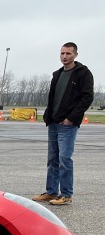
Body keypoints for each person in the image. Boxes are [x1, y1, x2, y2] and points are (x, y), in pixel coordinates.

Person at [33, 42, 94, 206]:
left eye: (68, 53)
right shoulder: (57, 74)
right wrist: (48, 116)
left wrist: (71, 118)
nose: (65, 56)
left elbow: (87, 98)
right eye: (62, 54)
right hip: (53, 122)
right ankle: (51, 191)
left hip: (67, 124)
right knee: (52, 159)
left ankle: (66, 194)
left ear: (75, 55)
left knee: (65, 159)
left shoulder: (83, 73)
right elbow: (53, 98)